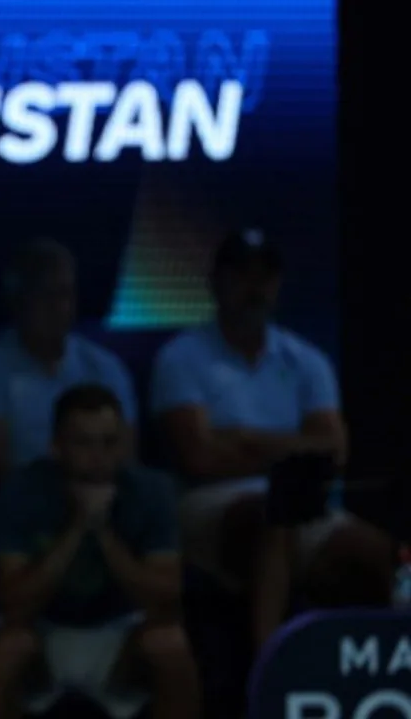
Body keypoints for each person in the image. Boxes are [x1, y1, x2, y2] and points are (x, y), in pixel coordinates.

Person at [151, 229, 393, 650]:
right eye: (242, 276)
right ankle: (267, 670)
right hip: (209, 504)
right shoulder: (181, 357)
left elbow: (334, 451)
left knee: (376, 553)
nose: (254, 289)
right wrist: (294, 449)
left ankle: (366, 675)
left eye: (264, 278)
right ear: (217, 283)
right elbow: (199, 459)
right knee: (271, 518)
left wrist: (243, 438)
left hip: (305, 503)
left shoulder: (306, 359)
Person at [0, 385, 199, 719]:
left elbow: (167, 597)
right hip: (44, 632)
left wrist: (104, 533)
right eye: (83, 443)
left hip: (119, 636)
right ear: (57, 445)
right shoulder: (23, 489)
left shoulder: (152, 491)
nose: (98, 457)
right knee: (8, 645)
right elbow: (14, 603)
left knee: (169, 643)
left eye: (109, 443)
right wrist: (78, 526)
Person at [0, 238, 137, 478]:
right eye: (46, 295)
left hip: (100, 487)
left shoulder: (104, 366)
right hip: (23, 496)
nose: (60, 307)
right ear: (17, 301)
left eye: (66, 295)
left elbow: (127, 453)